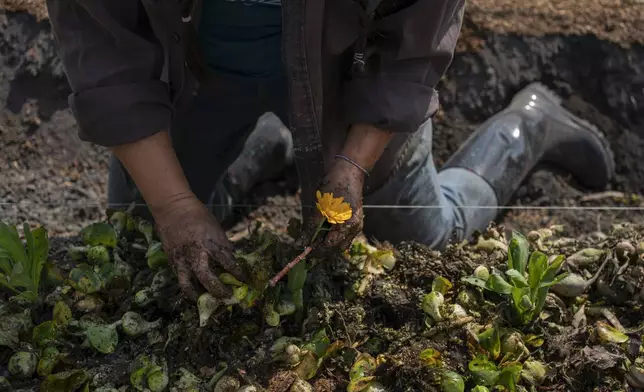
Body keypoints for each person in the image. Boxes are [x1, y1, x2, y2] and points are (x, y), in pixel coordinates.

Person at [46, 0, 614, 301]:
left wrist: (352, 163)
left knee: (419, 244)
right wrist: (173, 206)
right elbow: (103, 44)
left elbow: (417, 30)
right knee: (141, 235)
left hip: (349, 70)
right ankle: (269, 142)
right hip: (194, 66)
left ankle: (531, 122)